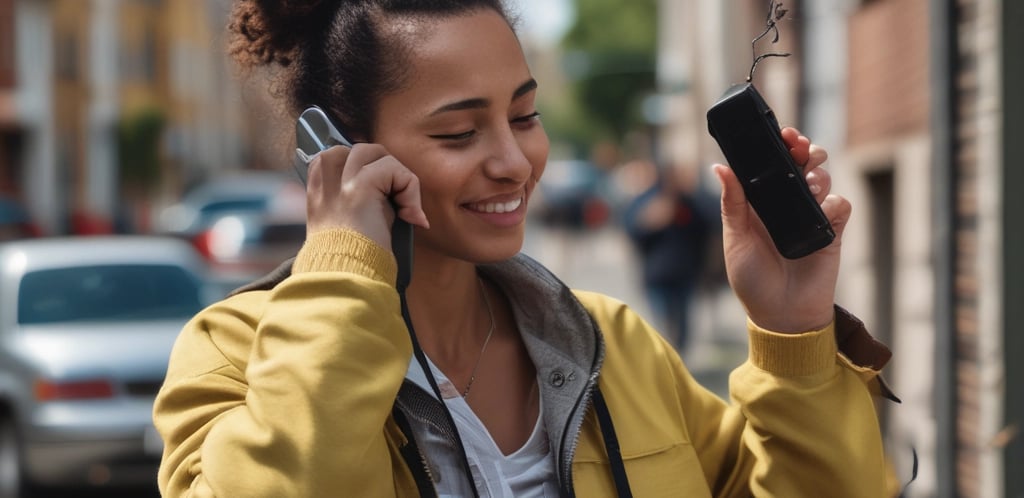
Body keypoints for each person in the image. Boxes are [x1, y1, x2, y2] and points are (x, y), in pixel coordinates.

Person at [153, 1, 896, 496]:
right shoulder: (233, 358)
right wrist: (345, 271)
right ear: (340, 152)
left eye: (526, 115)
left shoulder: (614, 345)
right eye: (459, 132)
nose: (515, 160)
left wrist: (794, 331)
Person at [622, 161, 718, 352]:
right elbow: (632, 231)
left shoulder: (693, 203)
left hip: (686, 274)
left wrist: (709, 269)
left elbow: (709, 231)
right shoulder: (647, 200)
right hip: (656, 275)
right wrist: (649, 221)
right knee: (663, 324)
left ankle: (678, 361)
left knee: (683, 325)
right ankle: (667, 362)